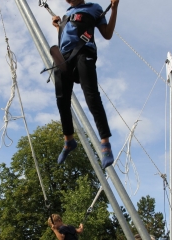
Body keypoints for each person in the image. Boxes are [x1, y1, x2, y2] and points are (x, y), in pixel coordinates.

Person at [51, 0, 119, 169]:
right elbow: (66, 38)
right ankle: (69, 140)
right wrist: (58, 27)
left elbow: (107, 34)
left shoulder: (94, 8)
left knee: (91, 96)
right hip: (65, 57)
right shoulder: (66, 14)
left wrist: (114, 8)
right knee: (62, 99)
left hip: (84, 52)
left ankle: (105, 145)